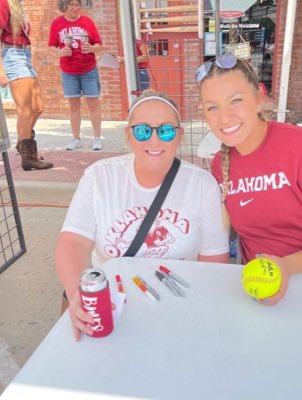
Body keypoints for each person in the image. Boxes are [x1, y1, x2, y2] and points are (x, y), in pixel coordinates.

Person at [55, 89, 229, 340]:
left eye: (166, 130)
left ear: (179, 136)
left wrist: (196, 312)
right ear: (129, 135)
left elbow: (214, 260)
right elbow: (73, 242)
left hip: (176, 303)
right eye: (143, 131)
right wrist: (77, 294)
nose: (155, 141)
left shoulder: (202, 185)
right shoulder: (100, 176)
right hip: (110, 305)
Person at [196, 54, 302, 306]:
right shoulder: (219, 164)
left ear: (258, 98)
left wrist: (287, 266)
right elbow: (227, 230)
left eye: (236, 101)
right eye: (213, 107)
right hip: (264, 290)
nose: (225, 117)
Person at [0, 0, 54, 171]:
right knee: (25, 109)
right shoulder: (3, 3)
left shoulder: (18, 5)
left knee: (38, 107)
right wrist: (0, 70)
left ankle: (23, 143)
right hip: (12, 54)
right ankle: (29, 157)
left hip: (24, 54)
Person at [48, 0, 104, 151]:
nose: (75, 7)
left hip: (89, 70)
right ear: (64, 6)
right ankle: (76, 139)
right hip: (68, 72)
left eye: (77, 4)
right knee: (73, 107)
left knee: (93, 105)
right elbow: (51, 46)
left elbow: (100, 45)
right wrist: (59, 52)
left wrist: (92, 48)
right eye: (71, 4)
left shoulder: (87, 22)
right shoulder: (57, 24)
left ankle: (97, 138)